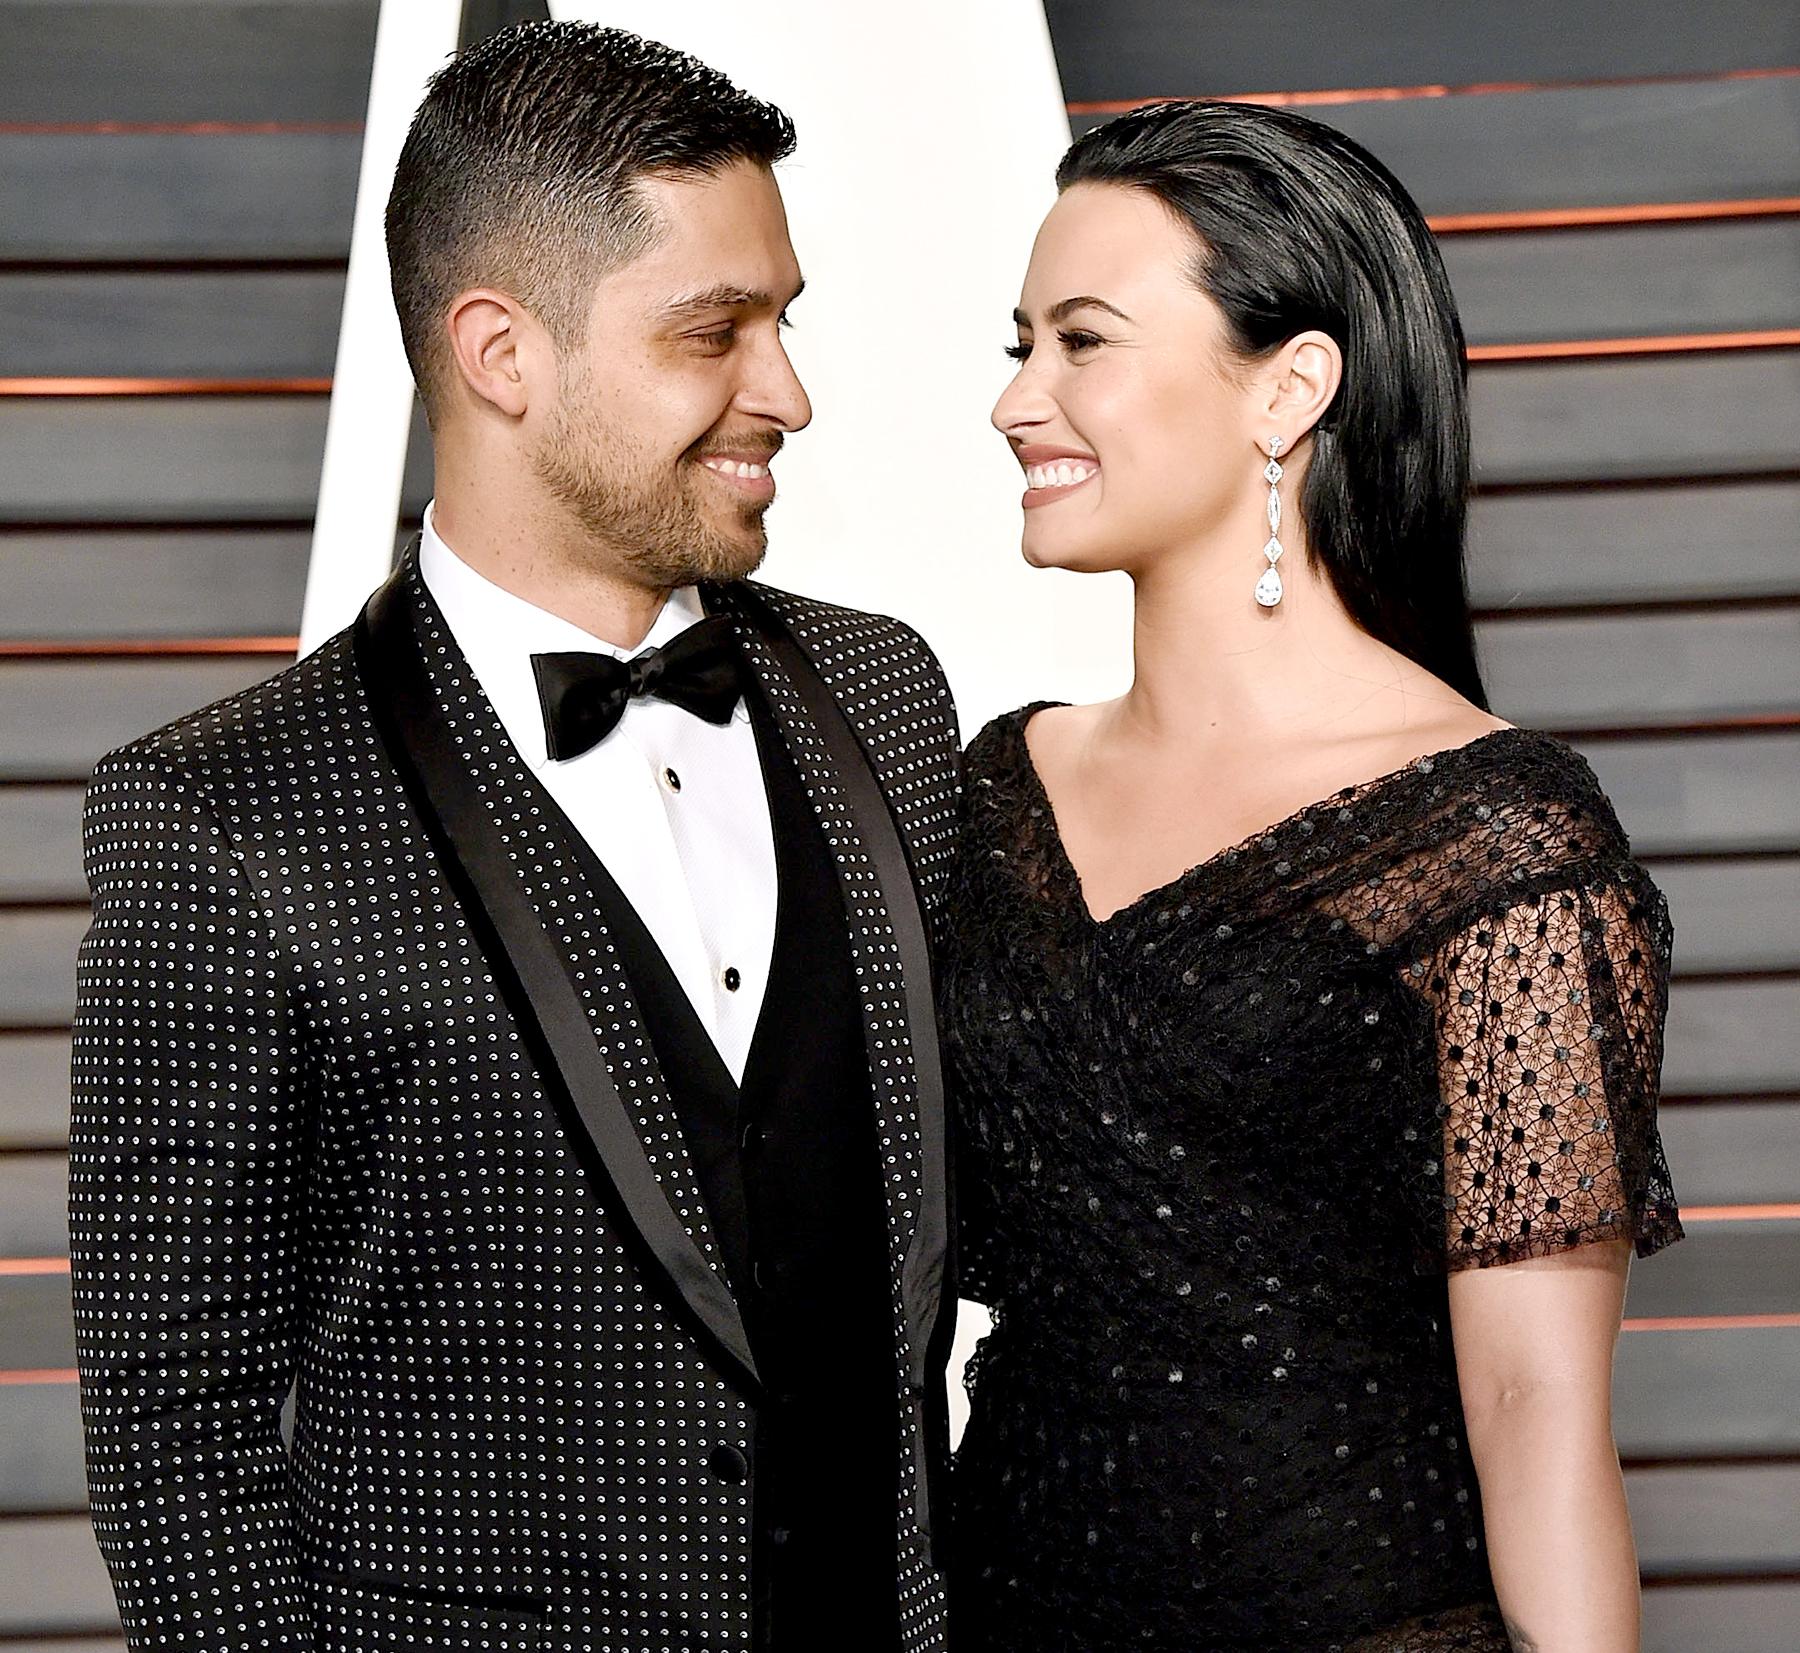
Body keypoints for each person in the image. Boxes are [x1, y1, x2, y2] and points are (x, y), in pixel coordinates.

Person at [70, 24, 960, 1653]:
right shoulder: (218, 819)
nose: (789, 393)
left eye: (785, 322)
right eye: (715, 332)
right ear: (500, 353)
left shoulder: (884, 698)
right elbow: (176, 1436)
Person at [941, 100, 1682, 1653]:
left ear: (1289, 387)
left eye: (1081, 342)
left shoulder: (1499, 840)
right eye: (1020, 345)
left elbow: (1537, 1406)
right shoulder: (992, 794)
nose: (1017, 401)